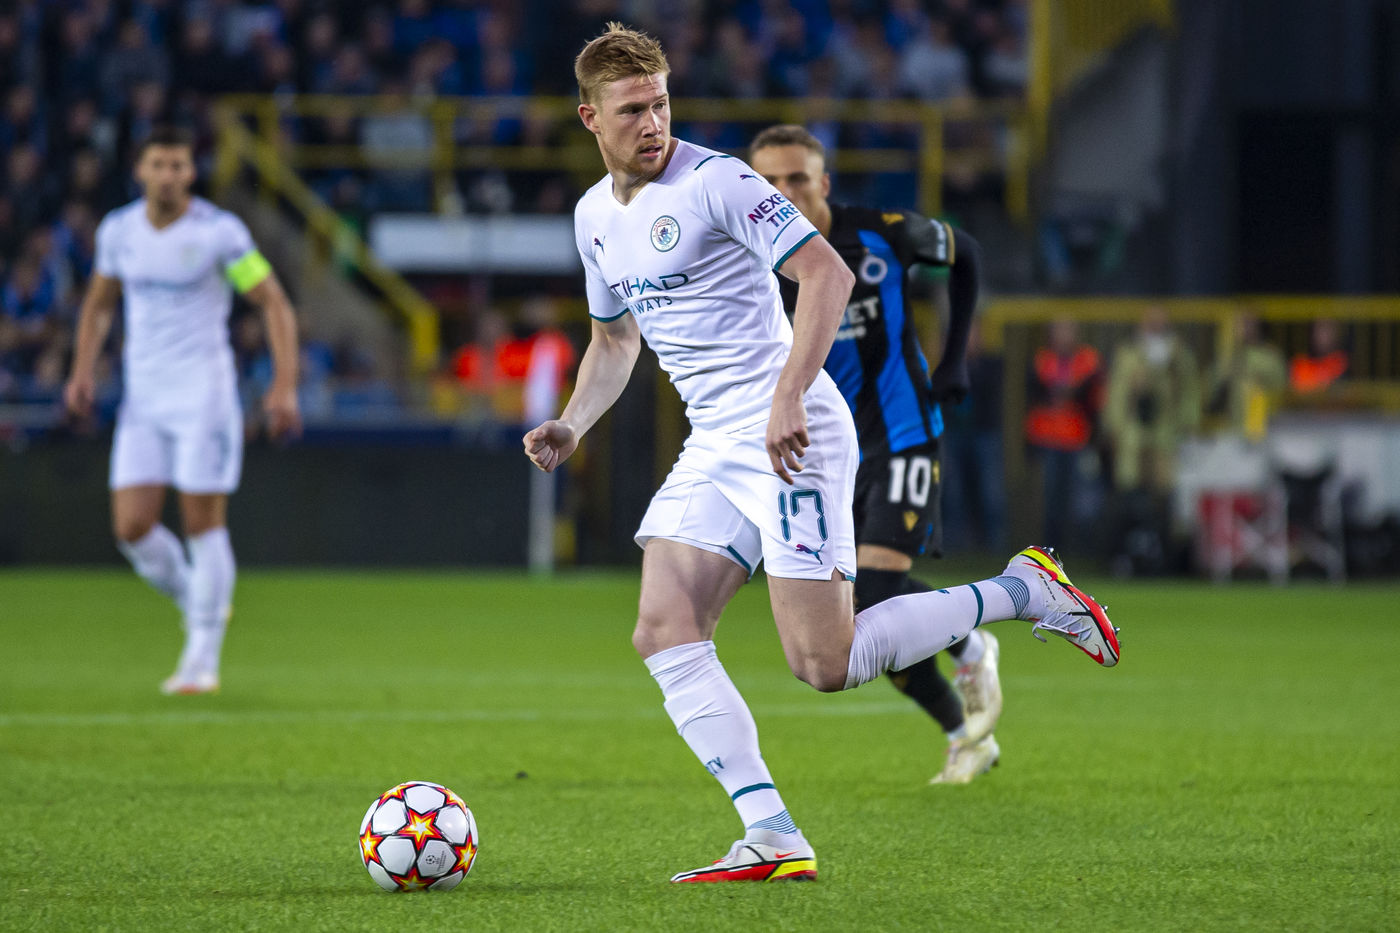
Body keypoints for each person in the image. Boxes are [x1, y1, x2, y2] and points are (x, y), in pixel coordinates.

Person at [523, 23, 1119, 885]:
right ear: (590, 117)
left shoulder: (718, 181)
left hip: (792, 433)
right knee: (663, 626)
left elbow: (827, 275)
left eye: (660, 103)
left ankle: (1023, 590)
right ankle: (770, 831)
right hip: (716, 441)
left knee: (824, 663)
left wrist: (789, 394)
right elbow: (614, 342)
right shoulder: (593, 219)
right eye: (631, 110)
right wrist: (575, 423)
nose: (651, 123)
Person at [747, 123, 1002, 785]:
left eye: (798, 178)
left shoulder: (880, 232)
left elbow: (966, 252)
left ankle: (972, 641)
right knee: (863, 619)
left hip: (902, 433)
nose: (784, 192)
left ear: (824, 182)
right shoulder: (755, 264)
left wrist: (954, 359)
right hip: (828, 457)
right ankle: (964, 736)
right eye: (769, 182)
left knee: (880, 590)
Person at [64, 126, 301, 695]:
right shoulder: (120, 232)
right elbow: (99, 304)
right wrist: (81, 371)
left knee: (202, 522)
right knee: (132, 527)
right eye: (158, 165)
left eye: (178, 165)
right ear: (140, 170)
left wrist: (284, 386)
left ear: (191, 173)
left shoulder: (218, 234)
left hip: (204, 397)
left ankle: (201, 658)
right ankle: (201, 599)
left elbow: (272, 303)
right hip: (143, 399)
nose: (168, 176)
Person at [1025, 317, 1104, 550]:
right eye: (1059, 330)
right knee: (1051, 499)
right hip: (1048, 438)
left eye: (1068, 330)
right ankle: (1050, 548)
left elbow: (1094, 401)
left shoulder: (1088, 361)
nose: (1063, 335)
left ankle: (1078, 548)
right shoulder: (1042, 361)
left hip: (1078, 439)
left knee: (1078, 499)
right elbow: (1033, 401)